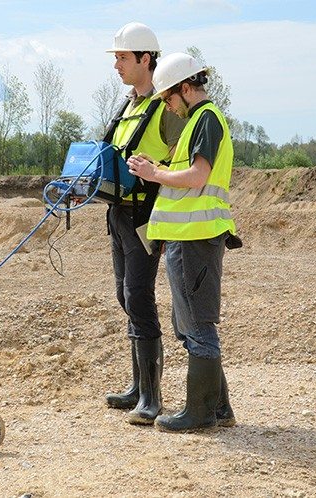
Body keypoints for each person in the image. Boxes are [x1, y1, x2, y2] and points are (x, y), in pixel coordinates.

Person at [126, 52, 239, 432]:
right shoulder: (196, 122)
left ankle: (201, 413)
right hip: (184, 238)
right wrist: (154, 169)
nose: (168, 107)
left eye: (169, 99)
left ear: (185, 89)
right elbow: (185, 173)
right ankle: (219, 409)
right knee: (187, 323)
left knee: (198, 325)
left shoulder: (206, 119)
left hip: (196, 238)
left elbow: (197, 176)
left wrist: (154, 173)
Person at [103, 22, 186, 425]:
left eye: (122, 57)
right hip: (118, 213)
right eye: (116, 57)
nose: (116, 64)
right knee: (126, 296)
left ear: (145, 59)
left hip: (146, 216)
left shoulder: (167, 109)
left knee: (138, 296)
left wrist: (157, 173)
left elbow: (185, 161)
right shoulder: (127, 107)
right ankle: (139, 387)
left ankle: (152, 398)